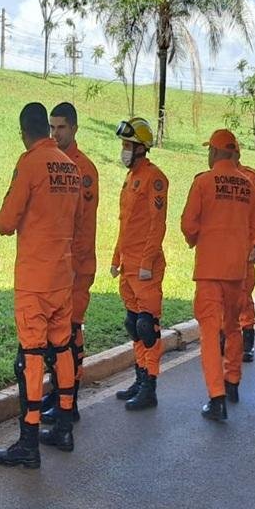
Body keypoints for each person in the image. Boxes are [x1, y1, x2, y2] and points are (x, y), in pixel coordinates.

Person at [0, 102, 83, 468]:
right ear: (46, 129)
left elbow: (5, 222)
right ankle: (63, 426)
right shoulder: (71, 167)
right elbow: (76, 221)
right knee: (61, 349)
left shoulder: (29, 163)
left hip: (34, 278)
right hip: (62, 275)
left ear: (22, 132)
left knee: (30, 358)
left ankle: (28, 440)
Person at [181, 129, 255, 422]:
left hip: (210, 271)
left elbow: (188, 223)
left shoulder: (203, 182)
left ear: (214, 153)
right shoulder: (248, 185)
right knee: (233, 327)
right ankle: (233, 382)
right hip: (236, 272)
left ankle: (217, 398)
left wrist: (198, 239)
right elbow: (254, 227)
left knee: (210, 334)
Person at [39, 102, 98, 424]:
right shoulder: (54, 163)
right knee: (54, 334)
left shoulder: (83, 169)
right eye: (51, 127)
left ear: (74, 129)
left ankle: (69, 399)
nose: (55, 133)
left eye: (61, 127)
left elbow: (80, 223)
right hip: (57, 266)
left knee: (70, 333)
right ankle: (58, 392)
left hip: (77, 265)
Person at [110, 117, 168, 411]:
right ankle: (140, 376)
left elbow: (156, 225)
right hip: (129, 264)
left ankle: (150, 386)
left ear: (141, 148)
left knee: (148, 326)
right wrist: (116, 258)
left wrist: (146, 262)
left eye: (128, 145)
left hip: (146, 267)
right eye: (123, 145)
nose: (124, 150)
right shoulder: (131, 177)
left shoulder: (154, 178)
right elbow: (127, 223)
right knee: (133, 324)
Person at [235, 148, 255, 362]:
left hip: (244, 247)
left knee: (243, 294)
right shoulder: (211, 179)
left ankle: (247, 340)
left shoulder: (250, 177)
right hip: (221, 248)